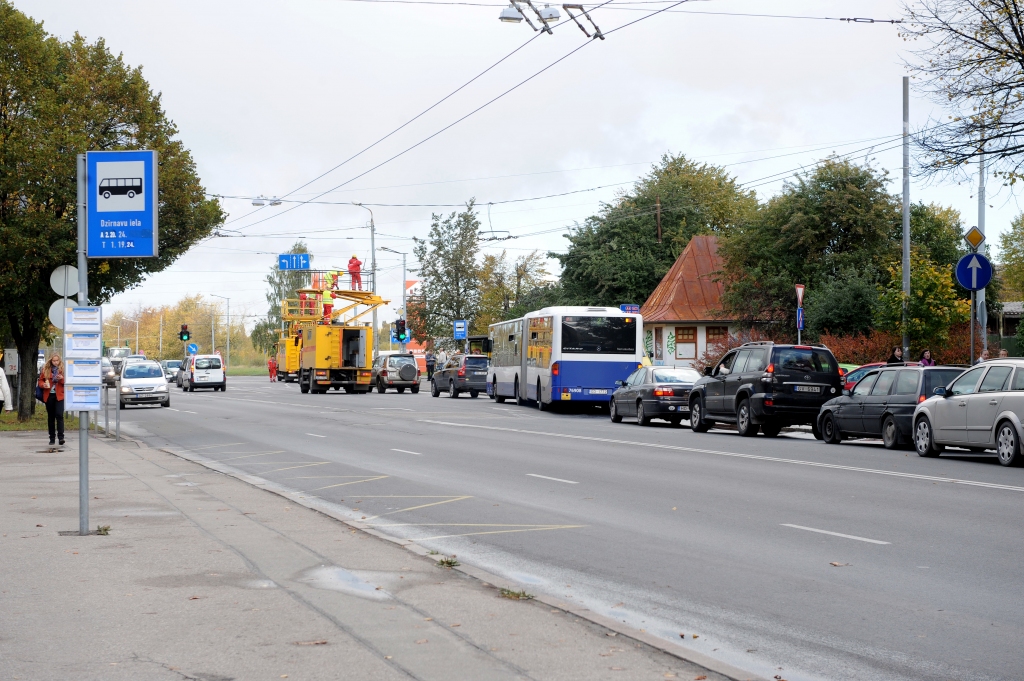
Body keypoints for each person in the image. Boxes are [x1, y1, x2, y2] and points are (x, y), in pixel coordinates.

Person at [38, 353, 65, 446]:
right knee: (51, 417)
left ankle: (61, 437)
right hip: (49, 395)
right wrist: (43, 385)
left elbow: (67, 382)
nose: (55, 362)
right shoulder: (46, 369)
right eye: (54, 360)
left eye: (57, 360)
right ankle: (52, 438)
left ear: (59, 361)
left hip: (60, 396)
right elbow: (40, 381)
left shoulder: (62, 369)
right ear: (51, 361)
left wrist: (61, 379)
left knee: (59, 415)